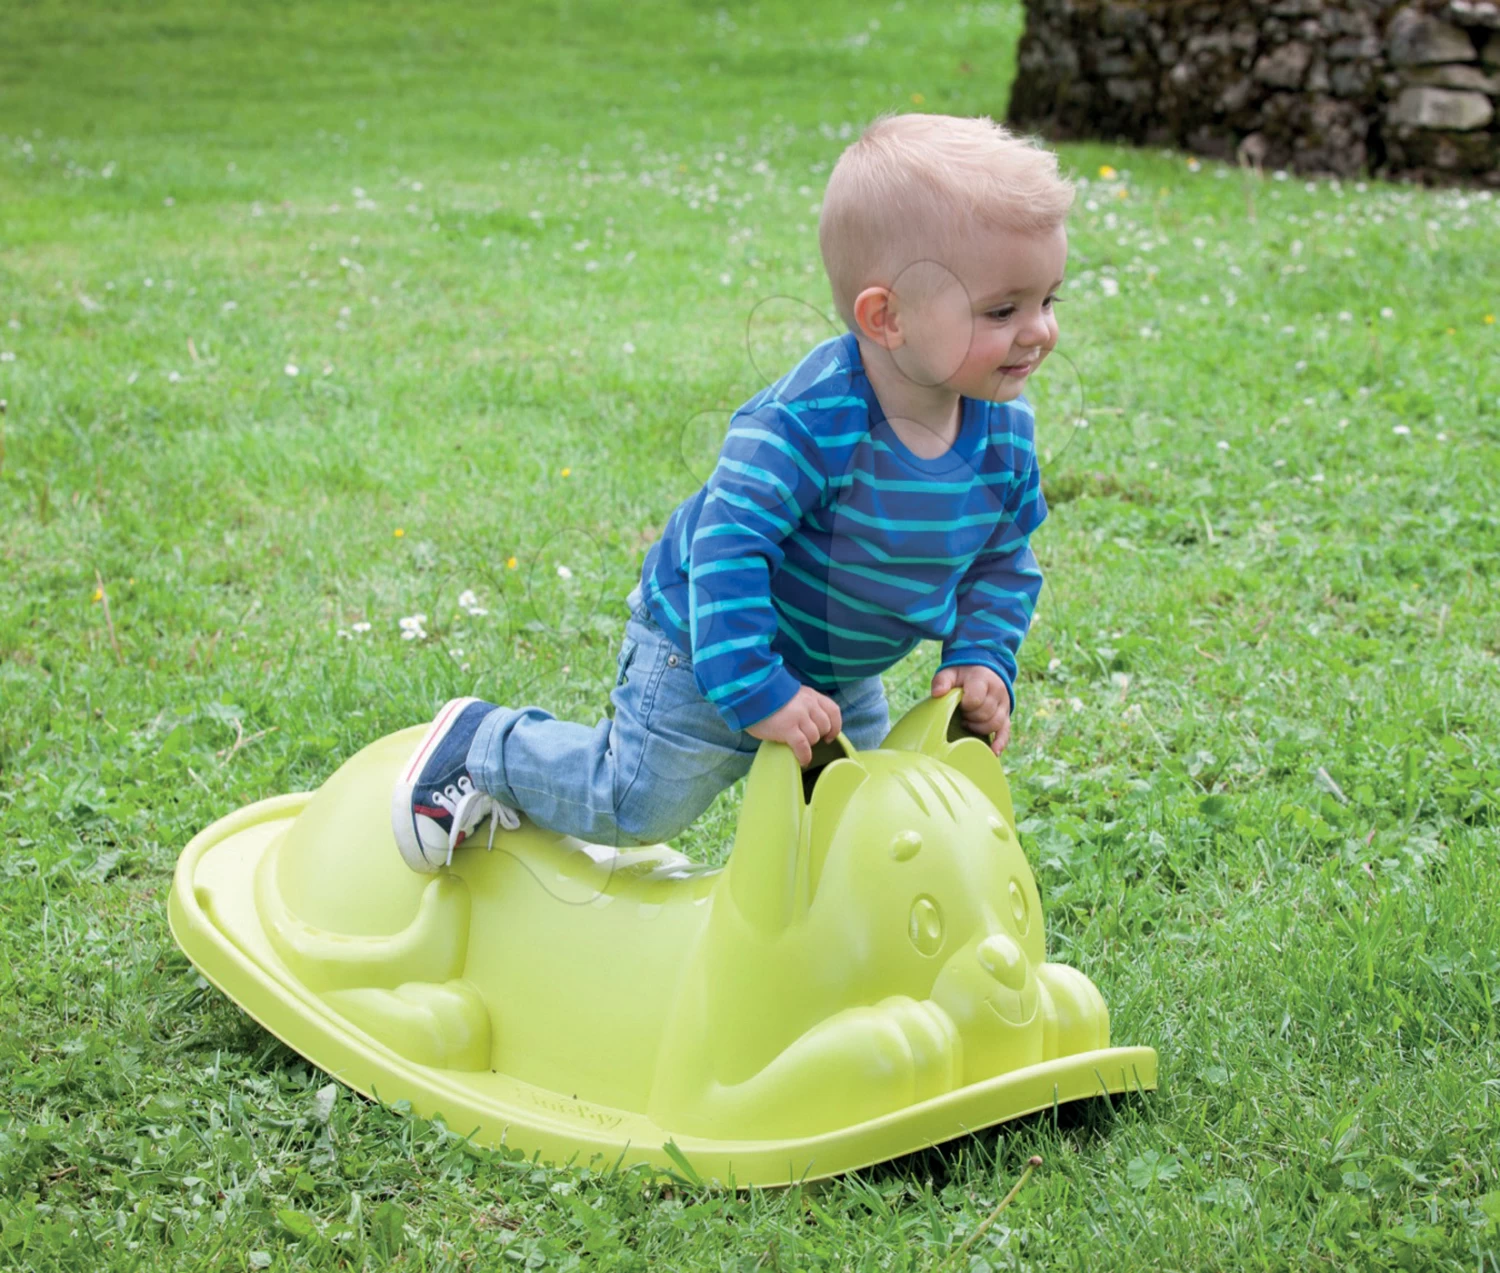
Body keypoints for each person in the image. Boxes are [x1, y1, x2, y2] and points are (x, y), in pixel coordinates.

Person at [391, 111, 1073, 872]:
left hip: (836, 670)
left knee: (864, 820)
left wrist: (982, 654)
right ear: (887, 318)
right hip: (706, 645)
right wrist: (758, 689)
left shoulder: (1002, 436)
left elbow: (1001, 561)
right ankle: (482, 745)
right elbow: (728, 551)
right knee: (637, 803)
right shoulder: (805, 423)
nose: (1039, 331)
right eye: (1003, 310)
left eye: (1049, 300)